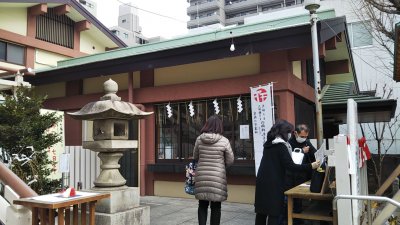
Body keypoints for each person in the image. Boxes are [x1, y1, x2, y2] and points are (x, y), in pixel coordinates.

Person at [254, 120, 320, 225]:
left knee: (261, 212)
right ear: (284, 133)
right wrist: (310, 166)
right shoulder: (281, 146)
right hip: (274, 182)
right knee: (274, 212)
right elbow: (290, 166)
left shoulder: (269, 144)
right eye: (289, 132)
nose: (290, 135)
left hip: (262, 180)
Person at [193, 115, 234, 225]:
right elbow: (230, 160)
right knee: (216, 206)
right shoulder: (224, 141)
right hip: (217, 176)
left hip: (202, 175)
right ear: (220, 126)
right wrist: (221, 165)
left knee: (202, 205)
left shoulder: (199, 139)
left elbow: (195, 157)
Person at [286, 124, 317, 224]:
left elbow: (314, 153)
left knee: (301, 199)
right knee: (295, 199)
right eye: (302, 136)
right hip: (293, 175)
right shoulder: (289, 143)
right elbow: (291, 161)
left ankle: (300, 217)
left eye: (306, 136)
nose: (304, 139)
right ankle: (295, 220)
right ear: (296, 133)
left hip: (305, 173)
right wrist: (302, 152)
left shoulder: (306, 141)